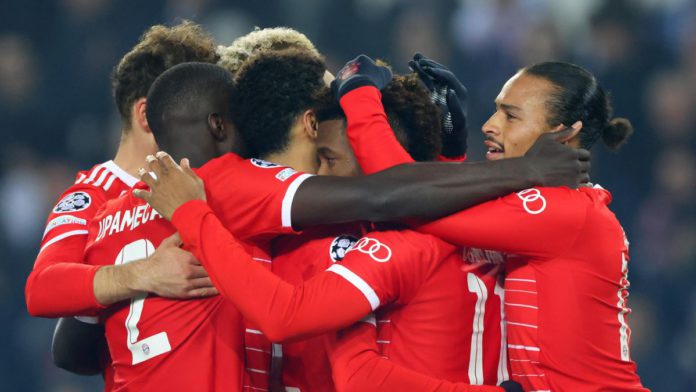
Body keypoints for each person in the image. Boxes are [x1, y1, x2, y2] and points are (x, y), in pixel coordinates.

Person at [132, 49, 587, 390]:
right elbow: (412, 196)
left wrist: (191, 213)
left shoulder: (395, 247)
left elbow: (330, 350)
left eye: (329, 158)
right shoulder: (511, 231)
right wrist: (448, 155)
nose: (322, 177)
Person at [339, 58, 648, 391]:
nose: (489, 125)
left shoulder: (561, 212)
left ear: (564, 134)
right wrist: (450, 152)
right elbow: (438, 207)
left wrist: (358, 94)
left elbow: (403, 196)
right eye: (496, 110)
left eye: (511, 115)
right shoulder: (540, 208)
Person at [24, 20, 222, 381]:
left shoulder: (211, 177)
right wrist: (145, 272)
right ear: (147, 115)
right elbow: (42, 289)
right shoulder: (92, 196)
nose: (213, 127)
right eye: (200, 110)